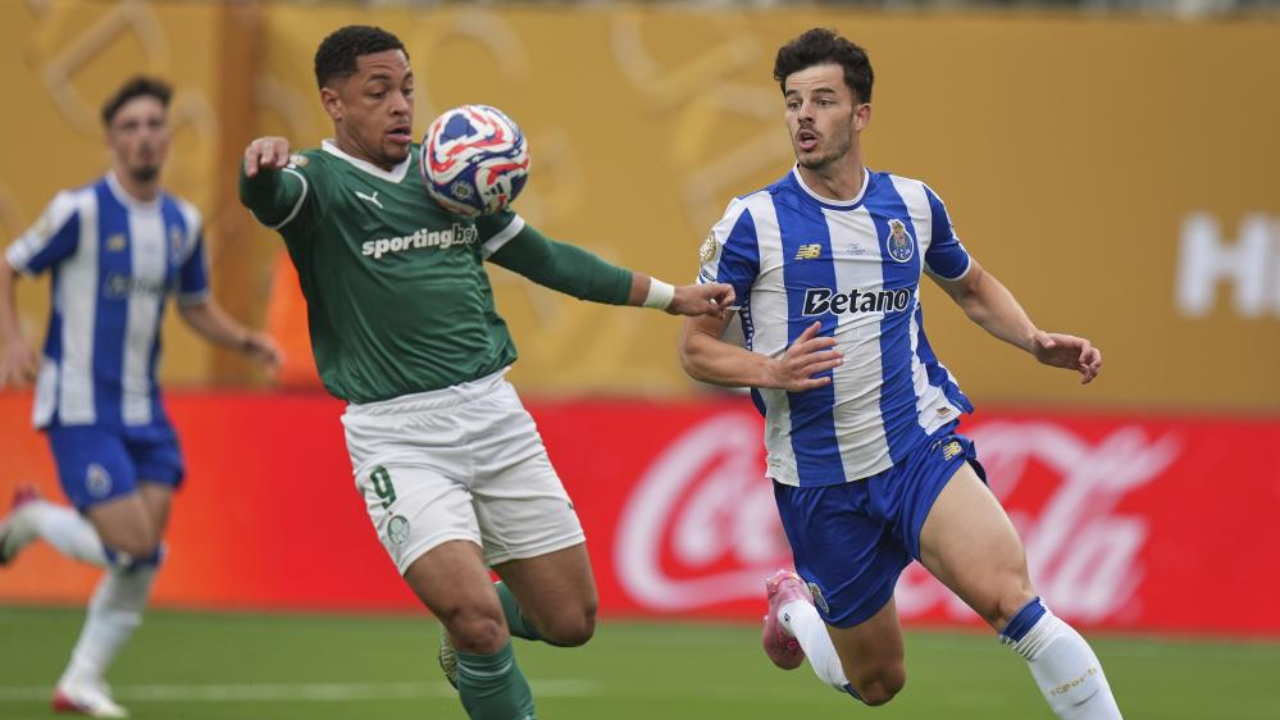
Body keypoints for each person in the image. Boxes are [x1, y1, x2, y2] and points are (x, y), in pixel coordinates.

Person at [238, 25, 733, 720]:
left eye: (406, 88)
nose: (400, 105)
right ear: (334, 102)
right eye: (377, 92)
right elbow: (267, 198)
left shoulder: (447, 176)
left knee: (570, 620)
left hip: (494, 418)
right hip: (397, 436)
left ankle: (464, 633)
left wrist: (670, 296)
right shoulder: (317, 188)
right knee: (479, 620)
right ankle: (470, 633)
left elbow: (554, 262)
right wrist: (256, 170)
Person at [679, 28, 1121, 720]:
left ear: (860, 114)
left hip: (917, 446)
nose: (804, 116)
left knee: (1014, 603)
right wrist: (770, 368)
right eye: (794, 101)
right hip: (819, 478)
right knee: (879, 684)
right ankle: (796, 609)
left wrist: (1034, 340)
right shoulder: (753, 223)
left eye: (823, 100)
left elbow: (970, 287)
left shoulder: (911, 206)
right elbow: (697, 349)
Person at [0, 77, 281, 717]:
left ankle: (80, 681)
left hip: (144, 411)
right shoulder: (80, 210)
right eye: (131, 126)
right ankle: (35, 518)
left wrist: (246, 341)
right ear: (111, 140)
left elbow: (195, 306)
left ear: (167, 136)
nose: (145, 136)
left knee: (142, 554)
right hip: (79, 403)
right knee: (133, 546)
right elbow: (9, 263)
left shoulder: (182, 222)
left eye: (155, 123)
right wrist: (11, 339)